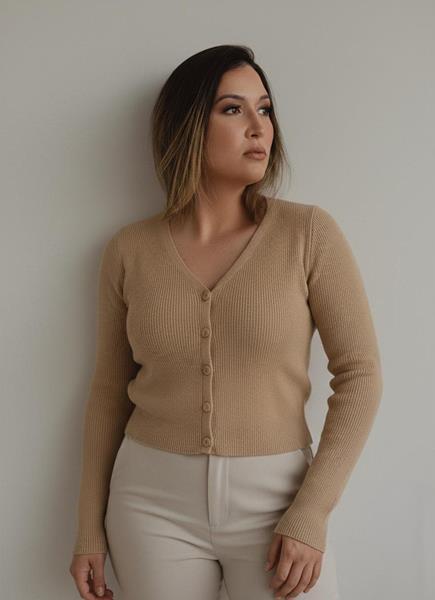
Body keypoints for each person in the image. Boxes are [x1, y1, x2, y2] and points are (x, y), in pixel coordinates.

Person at [69, 44, 383, 600]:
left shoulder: (308, 234)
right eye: (233, 109)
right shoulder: (129, 250)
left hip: (278, 502)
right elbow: (108, 392)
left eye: (265, 109)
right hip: (151, 503)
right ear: (188, 124)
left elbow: (361, 376)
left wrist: (311, 512)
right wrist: (88, 528)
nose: (259, 128)